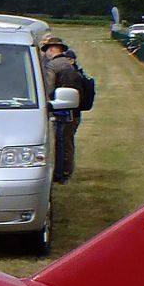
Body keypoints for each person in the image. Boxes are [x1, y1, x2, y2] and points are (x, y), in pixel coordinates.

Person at [41, 37, 86, 183]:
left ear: (53, 49)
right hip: (74, 110)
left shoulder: (53, 65)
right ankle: (67, 171)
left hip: (63, 111)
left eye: (47, 50)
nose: (46, 53)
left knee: (60, 143)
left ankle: (61, 173)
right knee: (68, 143)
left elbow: (48, 89)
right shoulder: (69, 64)